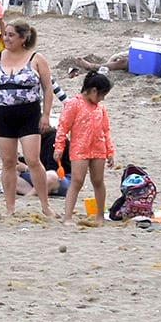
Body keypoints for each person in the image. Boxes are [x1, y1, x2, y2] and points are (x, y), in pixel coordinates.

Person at [0, 21, 55, 218]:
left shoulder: (36, 59)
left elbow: (47, 88)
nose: (6, 39)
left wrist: (46, 115)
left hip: (28, 113)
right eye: (5, 35)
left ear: (23, 38)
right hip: (3, 114)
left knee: (32, 159)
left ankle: (45, 205)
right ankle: (10, 207)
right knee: (8, 161)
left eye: (11, 35)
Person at [56, 71, 115, 226]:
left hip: (98, 148)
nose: (102, 99)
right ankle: (67, 216)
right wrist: (59, 147)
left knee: (98, 180)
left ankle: (100, 215)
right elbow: (63, 127)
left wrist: (110, 151)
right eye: (102, 95)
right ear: (93, 90)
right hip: (79, 149)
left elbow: (105, 130)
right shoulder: (74, 104)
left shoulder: (100, 108)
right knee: (77, 180)